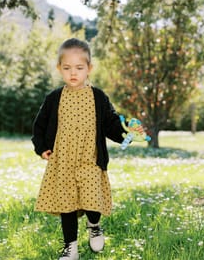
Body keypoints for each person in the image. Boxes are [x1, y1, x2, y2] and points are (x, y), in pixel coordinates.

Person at [31, 38, 141, 260]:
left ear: (89, 69)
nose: (73, 73)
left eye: (79, 68)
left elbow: (111, 123)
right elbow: (39, 125)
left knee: (92, 199)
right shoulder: (54, 98)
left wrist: (128, 135)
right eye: (67, 68)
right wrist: (42, 148)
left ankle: (94, 225)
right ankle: (70, 248)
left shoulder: (98, 97)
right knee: (67, 205)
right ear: (59, 69)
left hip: (90, 160)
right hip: (63, 162)